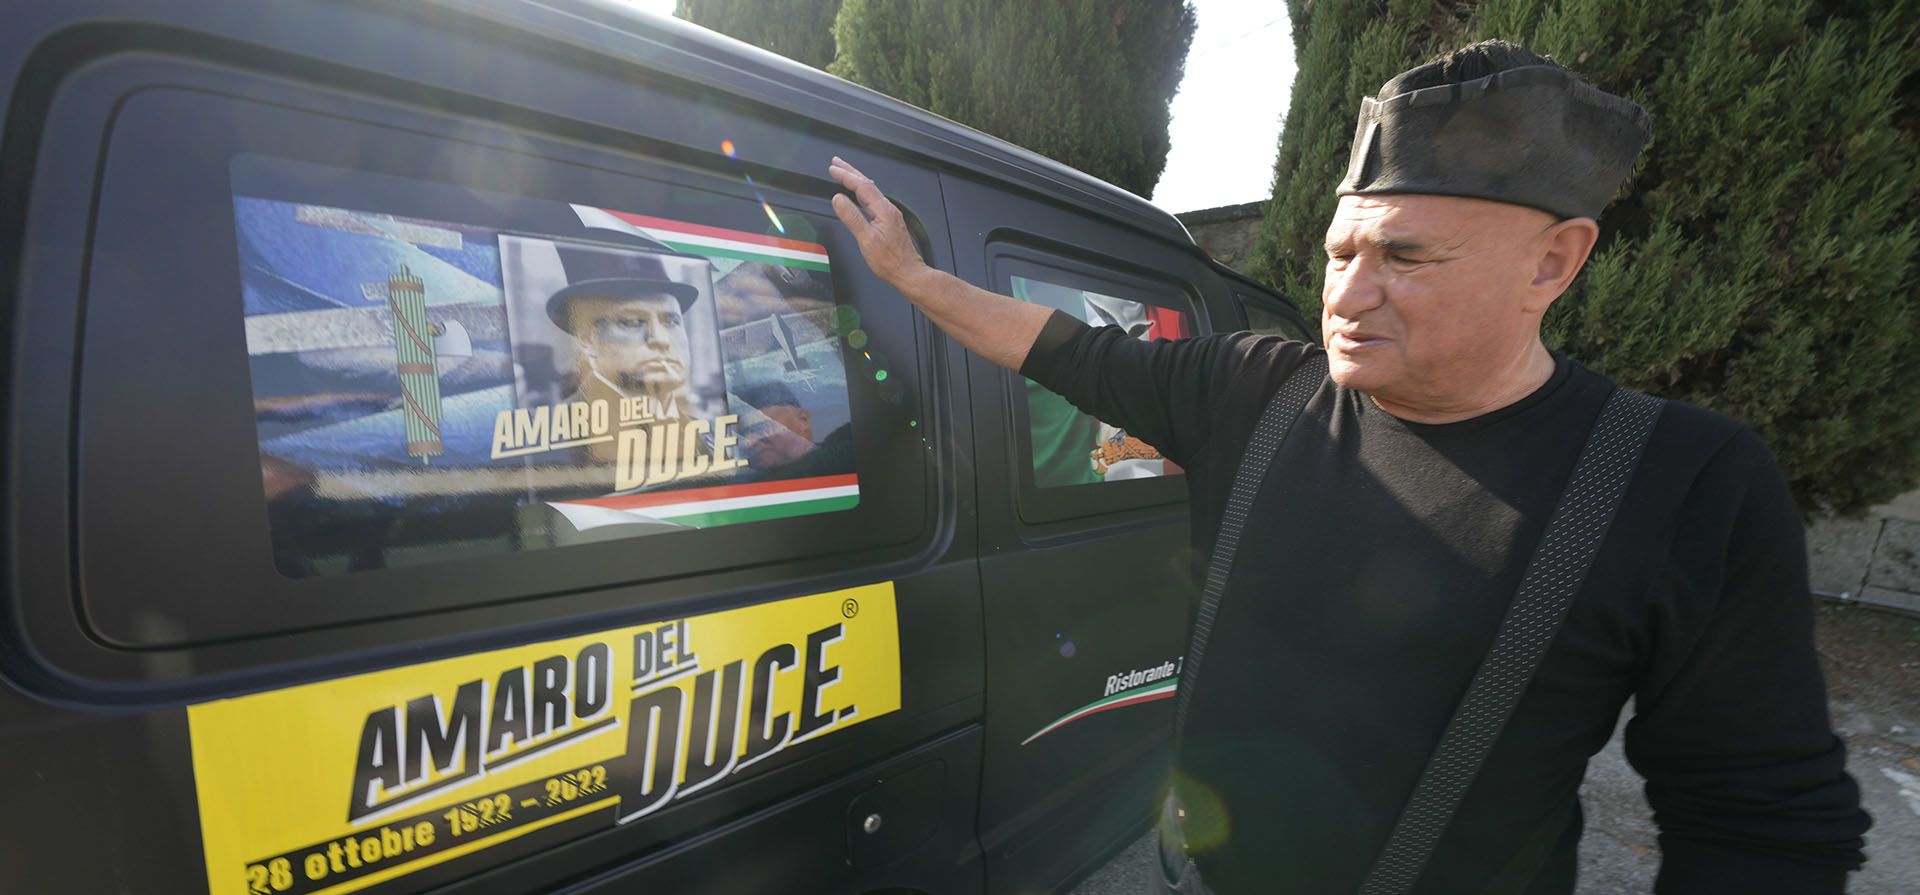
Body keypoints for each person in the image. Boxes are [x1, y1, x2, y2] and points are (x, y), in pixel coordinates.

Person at [828, 40, 1869, 895]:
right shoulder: (1254, 390)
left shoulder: (1681, 479)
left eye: (1407, 259)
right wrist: (911, 277)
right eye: (1342, 253)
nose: (1350, 296)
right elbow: (1063, 348)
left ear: (1553, 263)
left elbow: (1761, 818)